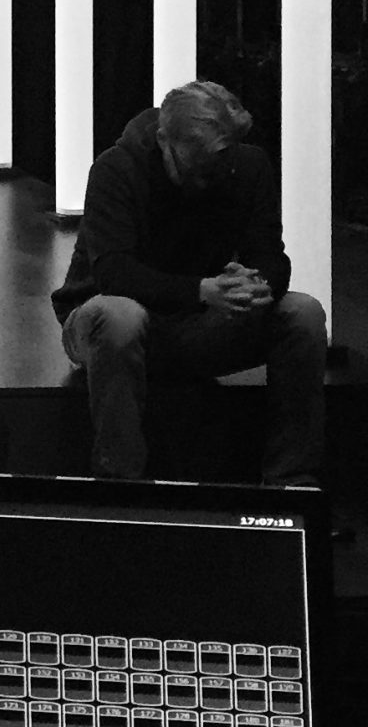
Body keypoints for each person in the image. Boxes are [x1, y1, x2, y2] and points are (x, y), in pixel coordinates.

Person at [53, 79, 326, 484]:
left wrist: (257, 283)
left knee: (303, 313)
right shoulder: (116, 169)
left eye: (219, 166)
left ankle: (293, 482)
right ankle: (121, 485)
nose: (208, 181)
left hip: (201, 321)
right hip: (108, 323)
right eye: (196, 170)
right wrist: (201, 290)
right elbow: (113, 274)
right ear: (164, 141)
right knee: (120, 316)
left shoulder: (248, 167)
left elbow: (270, 252)